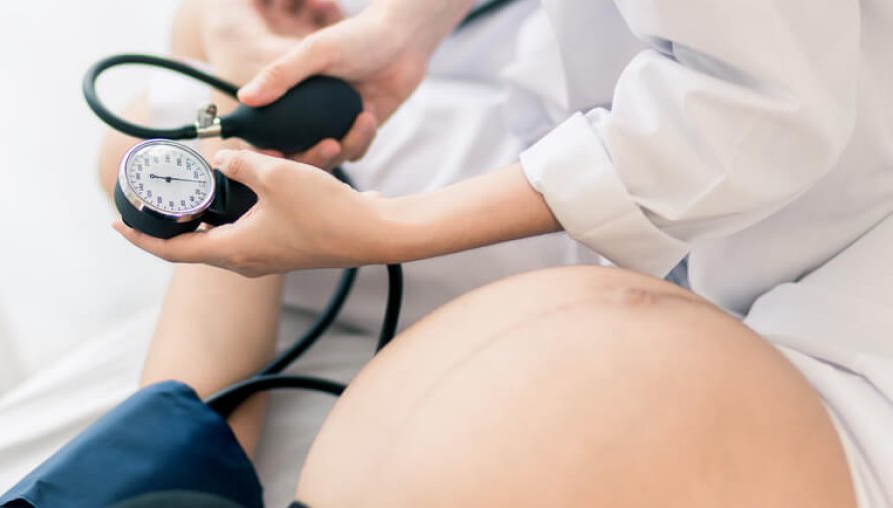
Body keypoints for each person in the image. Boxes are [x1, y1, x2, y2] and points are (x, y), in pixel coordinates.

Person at [104, 0, 892, 506]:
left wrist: (388, 229)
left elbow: (757, 116)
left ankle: (164, 471)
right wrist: (407, 27)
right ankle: (168, 468)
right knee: (176, 83)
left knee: (205, 104)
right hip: (608, 136)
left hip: (822, 224)